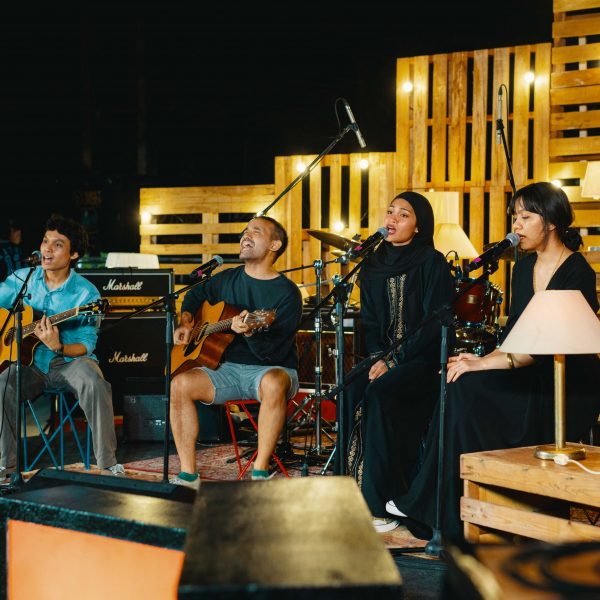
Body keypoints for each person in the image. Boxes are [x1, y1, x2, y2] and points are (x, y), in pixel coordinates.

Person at [387, 182, 600, 542]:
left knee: (471, 385)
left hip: (566, 384)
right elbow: (518, 337)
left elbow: (545, 346)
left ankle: (441, 506)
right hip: (529, 371)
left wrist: (484, 365)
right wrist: (479, 359)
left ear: (551, 222)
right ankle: (444, 510)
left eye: (525, 217)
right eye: (515, 217)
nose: (516, 225)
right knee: (457, 382)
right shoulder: (522, 268)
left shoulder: (577, 270)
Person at [344, 191, 455, 533]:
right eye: (390, 211)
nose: (392, 219)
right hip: (384, 358)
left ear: (419, 226)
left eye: (403, 214)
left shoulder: (432, 262)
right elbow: (371, 323)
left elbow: (434, 324)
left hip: (423, 361)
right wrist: (378, 358)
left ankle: (379, 504)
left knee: (380, 394)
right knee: (350, 387)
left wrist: (394, 362)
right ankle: (348, 496)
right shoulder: (372, 265)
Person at [169, 215, 302, 489]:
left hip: (270, 369)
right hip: (225, 368)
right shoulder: (226, 278)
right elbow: (194, 296)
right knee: (179, 384)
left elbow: (274, 352)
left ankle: (260, 470)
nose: (245, 236)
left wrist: (250, 331)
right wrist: (186, 322)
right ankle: (188, 474)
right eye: (245, 231)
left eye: (255, 231)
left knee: (273, 382)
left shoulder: (287, 293)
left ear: (274, 245)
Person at [0, 214, 123, 478]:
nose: (47, 249)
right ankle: (5, 469)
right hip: (28, 364)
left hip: (67, 362)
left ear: (73, 254)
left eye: (58, 245)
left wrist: (58, 347)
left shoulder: (87, 294)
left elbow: (87, 344)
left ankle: (108, 464)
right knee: (1, 385)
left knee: (94, 381)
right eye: (45, 241)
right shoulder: (23, 279)